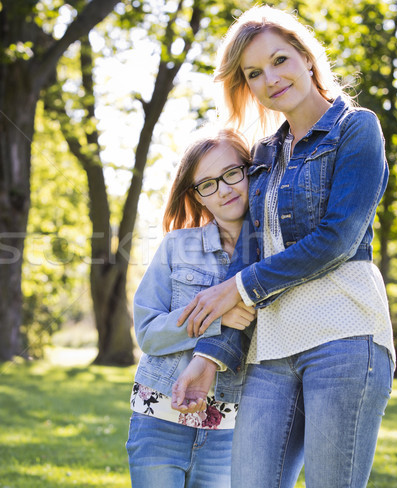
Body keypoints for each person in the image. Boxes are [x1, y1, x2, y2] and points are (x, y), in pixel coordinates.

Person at [171, 6, 396, 488]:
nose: (270, 78)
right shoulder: (265, 155)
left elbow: (338, 238)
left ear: (306, 58)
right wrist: (207, 358)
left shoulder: (356, 129)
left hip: (345, 335)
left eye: (279, 60)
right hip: (271, 348)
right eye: (254, 73)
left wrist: (239, 286)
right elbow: (250, 256)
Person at [126, 127, 257, 487]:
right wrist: (216, 319)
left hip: (229, 428)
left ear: (251, 170)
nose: (225, 189)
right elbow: (149, 333)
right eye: (208, 183)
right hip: (159, 416)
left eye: (232, 173)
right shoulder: (175, 247)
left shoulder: (275, 257)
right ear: (198, 197)